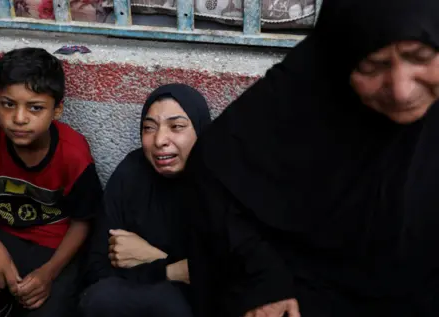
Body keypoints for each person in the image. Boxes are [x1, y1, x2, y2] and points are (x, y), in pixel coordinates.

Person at [185, 0, 439, 316]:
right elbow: (215, 173)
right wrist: (262, 279)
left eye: (421, 57)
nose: (401, 90)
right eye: (372, 65)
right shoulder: (300, 97)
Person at [0, 47, 103, 317]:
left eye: (35, 108)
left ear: (57, 110)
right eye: (8, 104)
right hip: (5, 238)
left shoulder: (73, 153)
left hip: (56, 250)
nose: (19, 118)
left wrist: (48, 274)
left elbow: (83, 222)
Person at [80, 84, 211, 317]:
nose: (160, 140)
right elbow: (96, 269)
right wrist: (174, 269)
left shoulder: (220, 185)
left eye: (177, 126)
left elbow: (224, 277)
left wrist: (152, 257)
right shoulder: (131, 174)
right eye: (149, 128)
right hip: (133, 299)